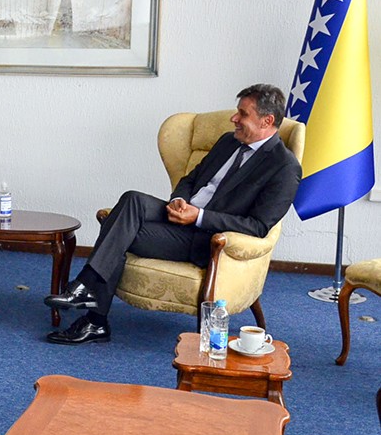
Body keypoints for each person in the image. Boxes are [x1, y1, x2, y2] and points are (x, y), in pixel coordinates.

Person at [44, 84, 302, 345]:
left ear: (267, 120)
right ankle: (90, 302)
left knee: (116, 228)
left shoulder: (284, 167)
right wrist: (179, 200)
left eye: (243, 114)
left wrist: (198, 216)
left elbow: (258, 226)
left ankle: (93, 312)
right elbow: (190, 179)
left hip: (206, 238)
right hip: (181, 215)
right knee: (132, 199)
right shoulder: (228, 141)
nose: (234, 118)